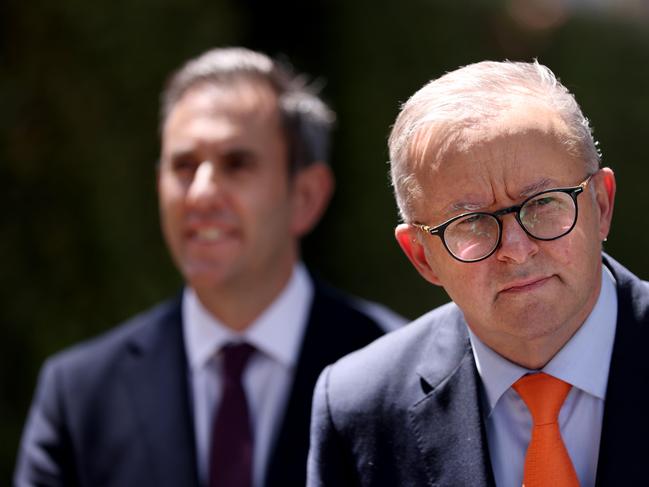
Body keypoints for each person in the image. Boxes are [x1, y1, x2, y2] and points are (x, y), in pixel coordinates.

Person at [15, 47, 404, 487]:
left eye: (237, 164)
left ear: (306, 196)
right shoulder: (79, 394)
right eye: (183, 165)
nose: (200, 193)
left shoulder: (400, 374)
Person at [307, 60, 649, 487]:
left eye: (543, 203)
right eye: (470, 221)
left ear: (600, 205)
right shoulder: (358, 408)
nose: (516, 250)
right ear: (422, 256)